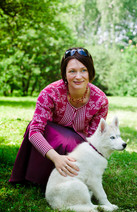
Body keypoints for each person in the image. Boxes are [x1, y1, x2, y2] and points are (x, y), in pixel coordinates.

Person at [9, 47, 109, 186]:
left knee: (72, 144)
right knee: (37, 128)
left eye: (83, 70)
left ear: (90, 72)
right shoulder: (50, 93)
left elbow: (94, 139)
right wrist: (56, 158)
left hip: (77, 146)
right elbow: (35, 131)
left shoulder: (100, 100)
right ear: (65, 74)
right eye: (72, 71)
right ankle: (38, 177)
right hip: (50, 141)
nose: (78, 76)